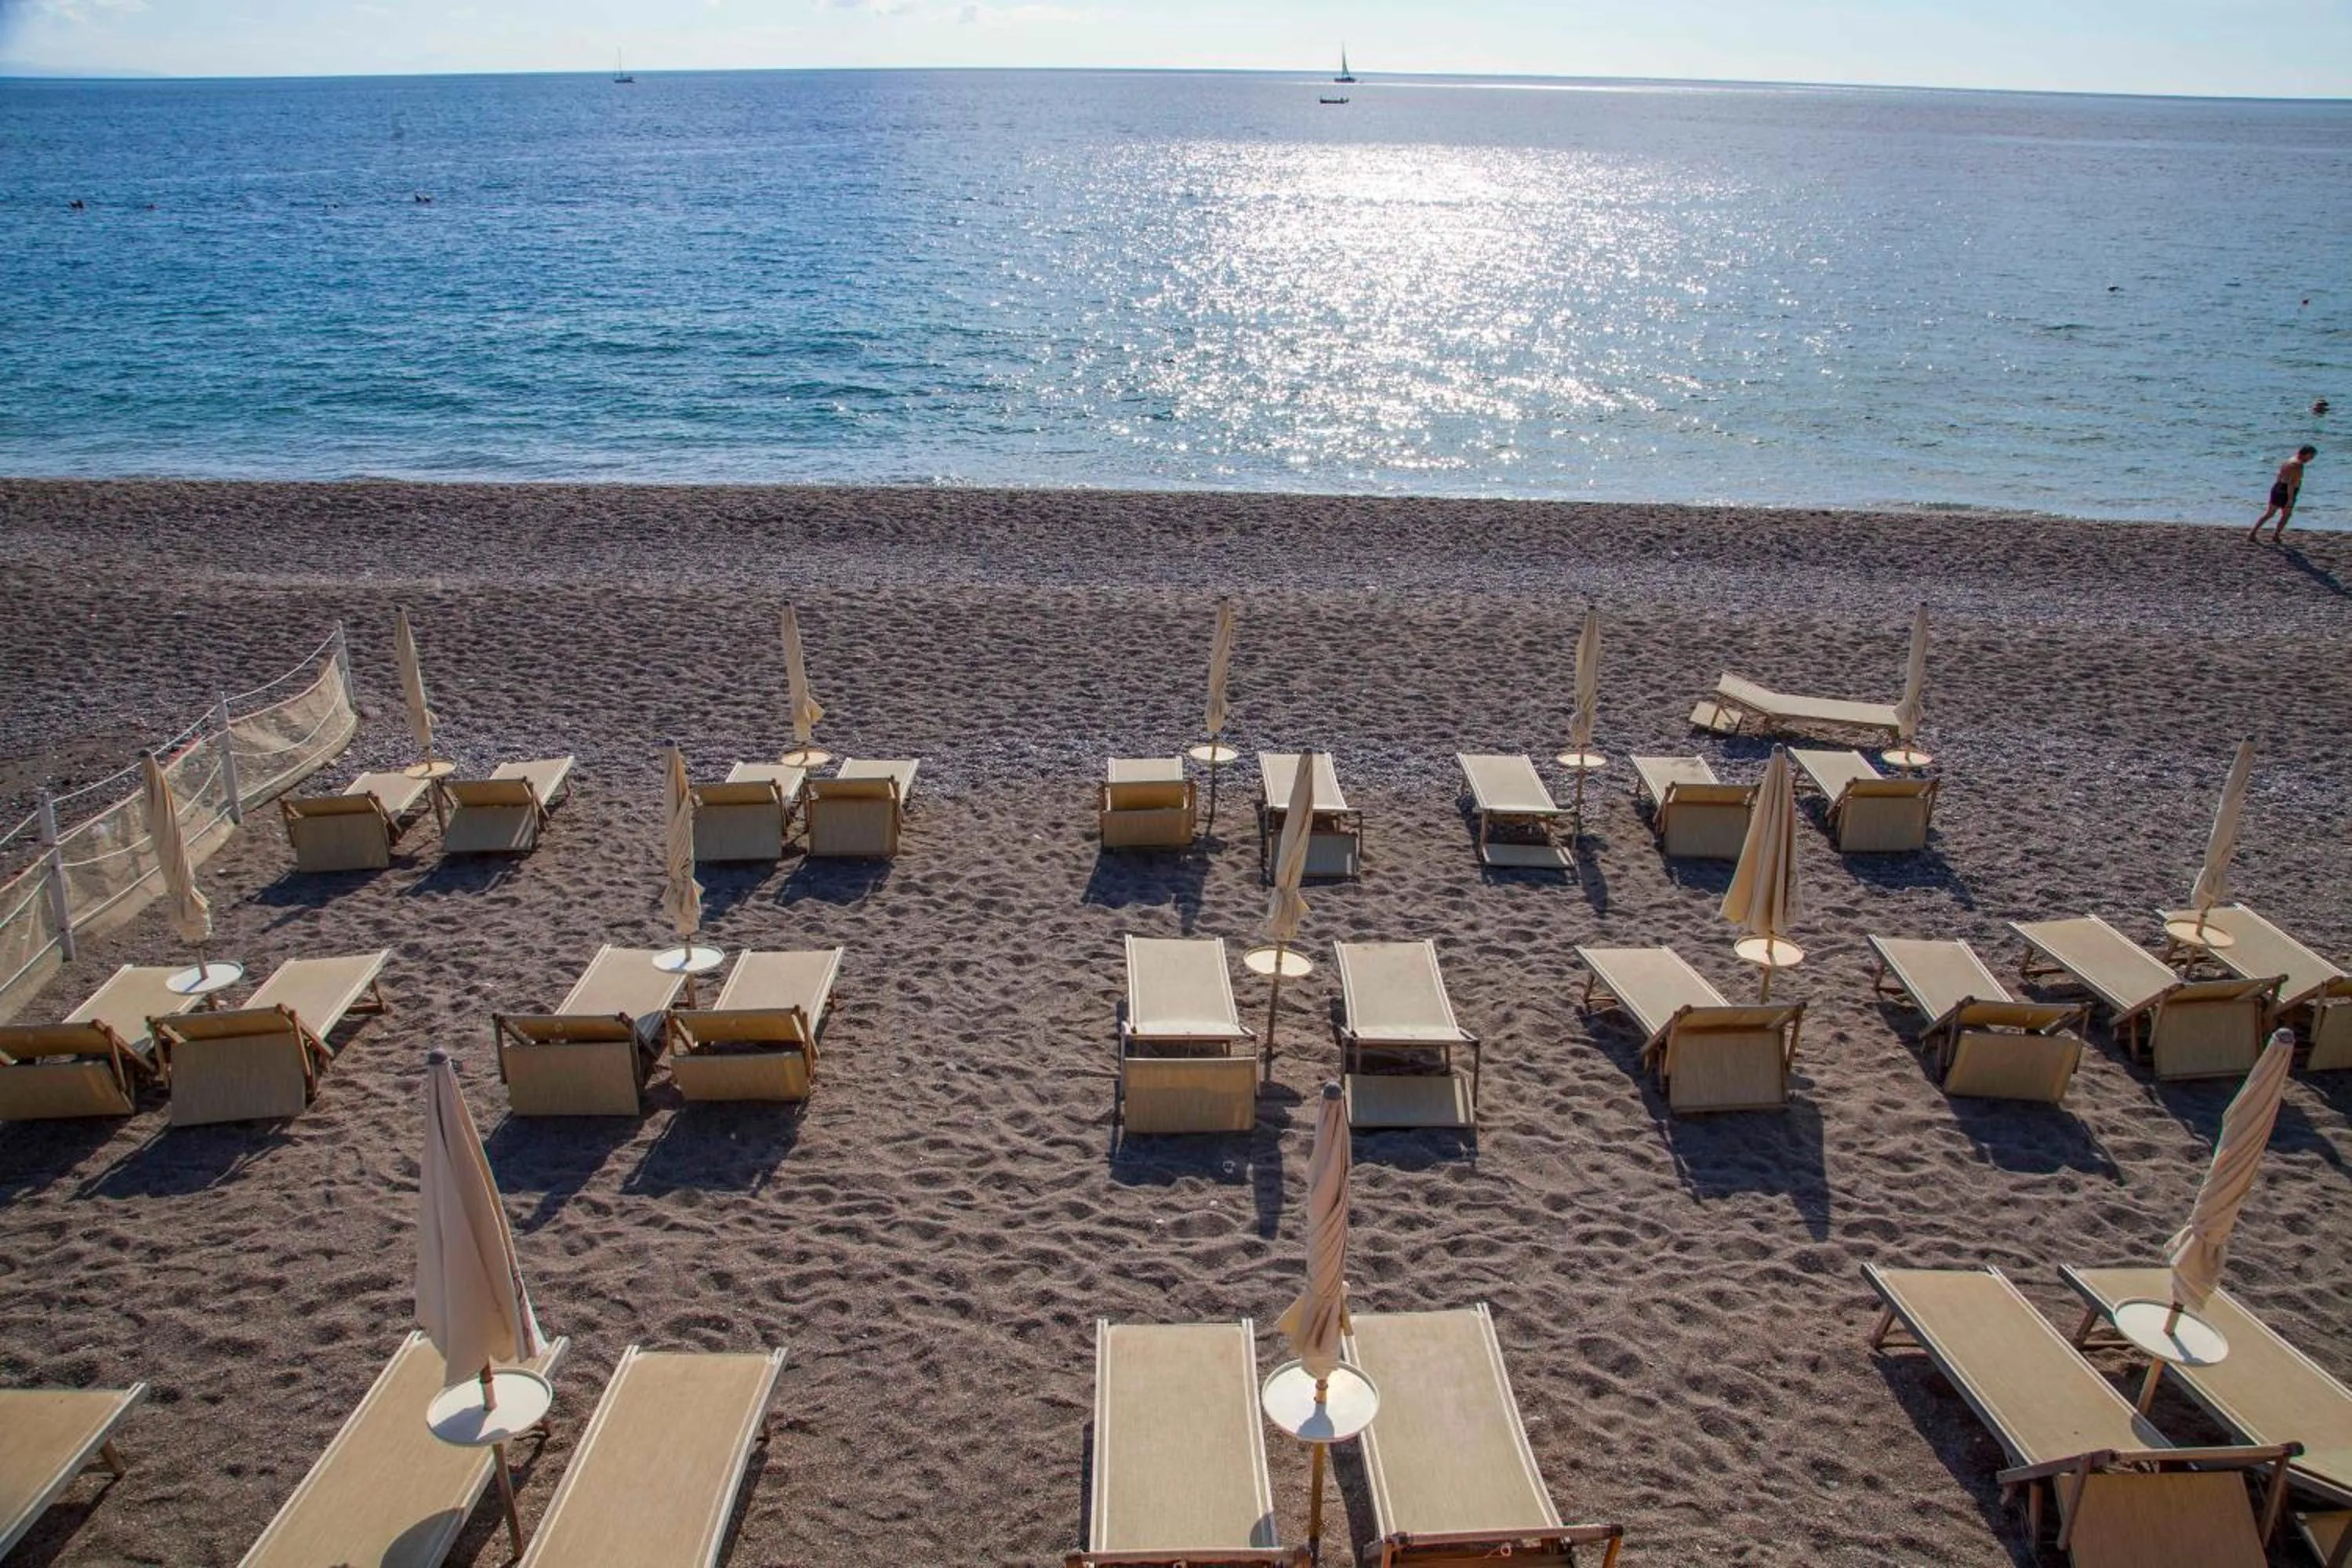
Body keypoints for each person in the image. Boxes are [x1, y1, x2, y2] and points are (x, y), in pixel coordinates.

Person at [2251, 446, 2317, 542]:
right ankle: (2276, 535)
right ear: (2304, 454)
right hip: (2287, 490)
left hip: (2278, 487)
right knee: (2286, 515)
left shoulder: (2289, 460)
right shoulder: (2298, 466)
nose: (2311, 459)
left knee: (2269, 514)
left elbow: (2279, 476)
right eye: (2310, 456)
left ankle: (2253, 533)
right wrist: (2290, 499)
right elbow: (2291, 484)